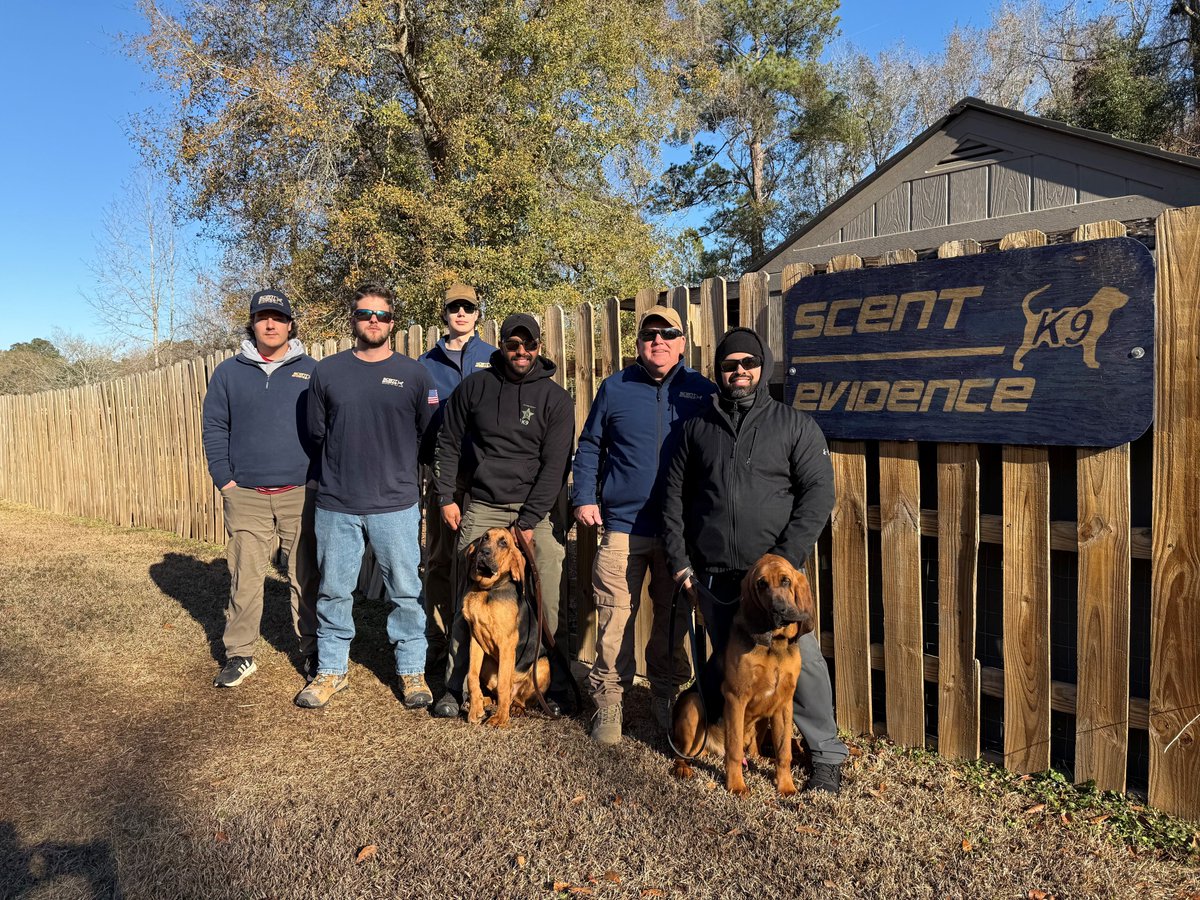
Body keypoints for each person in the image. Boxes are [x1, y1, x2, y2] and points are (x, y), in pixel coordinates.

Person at [662, 327, 848, 793]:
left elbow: (819, 494)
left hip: (776, 582)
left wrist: (783, 561)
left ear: (762, 367)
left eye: (748, 362)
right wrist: (682, 564)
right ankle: (729, 746)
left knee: (803, 668)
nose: (739, 371)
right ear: (718, 372)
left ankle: (825, 754)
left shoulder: (793, 425)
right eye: (729, 365)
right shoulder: (696, 429)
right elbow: (673, 503)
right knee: (730, 673)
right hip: (719, 581)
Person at [571, 305, 716, 743]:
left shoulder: (701, 392)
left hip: (679, 532)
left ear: (682, 342)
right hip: (622, 526)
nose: (658, 340)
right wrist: (583, 497)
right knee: (615, 619)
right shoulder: (615, 388)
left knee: (672, 619)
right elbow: (591, 445)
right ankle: (609, 704)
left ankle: (666, 695)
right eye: (650, 334)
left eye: (668, 333)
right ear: (638, 343)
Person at [294, 283, 435, 710]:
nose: (373, 321)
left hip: (396, 503)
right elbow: (317, 433)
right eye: (364, 313)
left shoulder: (414, 374)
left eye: (382, 315)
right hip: (337, 503)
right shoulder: (327, 372)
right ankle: (332, 671)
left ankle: (412, 671)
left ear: (393, 322)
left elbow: (427, 436)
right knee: (334, 591)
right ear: (353, 319)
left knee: (406, 592)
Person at [430, 312, 575, 718]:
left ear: (539, 348)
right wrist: (446, 496)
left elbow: (555, 466)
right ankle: (457, 685)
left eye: (529, 345)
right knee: (469, 596)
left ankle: (548, 680)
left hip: (536, 509)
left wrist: (527, 524)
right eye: (513, 344)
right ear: (502, 346)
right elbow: (448, 441)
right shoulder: (475, 387)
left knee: (547, 581)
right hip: (484, 504)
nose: (521, 351)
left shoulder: (556, 399)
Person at [202, 289, 319, 688]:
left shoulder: (312, 371)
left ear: (290, 324)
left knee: (306, 575)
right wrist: (226, 480)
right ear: (252, 323)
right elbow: (215, 427)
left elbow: (327, 428)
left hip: (300, 492)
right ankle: (240, 654)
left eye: (278, 317)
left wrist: (318, 477)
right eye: (262, 317)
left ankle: (313, 651)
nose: (270, 324)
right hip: (247, 495)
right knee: (245, 575)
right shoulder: (229, 372)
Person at [418, 283, 496, 685]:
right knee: (440, 560)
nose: (461, 313)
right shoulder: (424, 363)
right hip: (441, 475)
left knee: (480, 561)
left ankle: (473, 640)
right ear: (444, 314)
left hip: (483, 479)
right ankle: (436, 639)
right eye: (454, 308)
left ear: (478, 314)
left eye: (468, 307)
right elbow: (416, 423)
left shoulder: (493, 358)